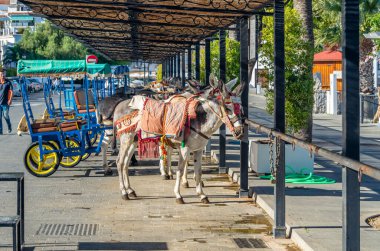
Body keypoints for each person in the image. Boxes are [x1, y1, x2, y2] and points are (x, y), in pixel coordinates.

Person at [0, 70, 13, 134]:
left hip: (5, 103)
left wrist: (10, 99)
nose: (2, 76)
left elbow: (11, 91)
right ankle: (0, 131)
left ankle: (9, 126)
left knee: (6, 116)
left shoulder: (8, 82)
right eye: (1, 75)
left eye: (3, 75)